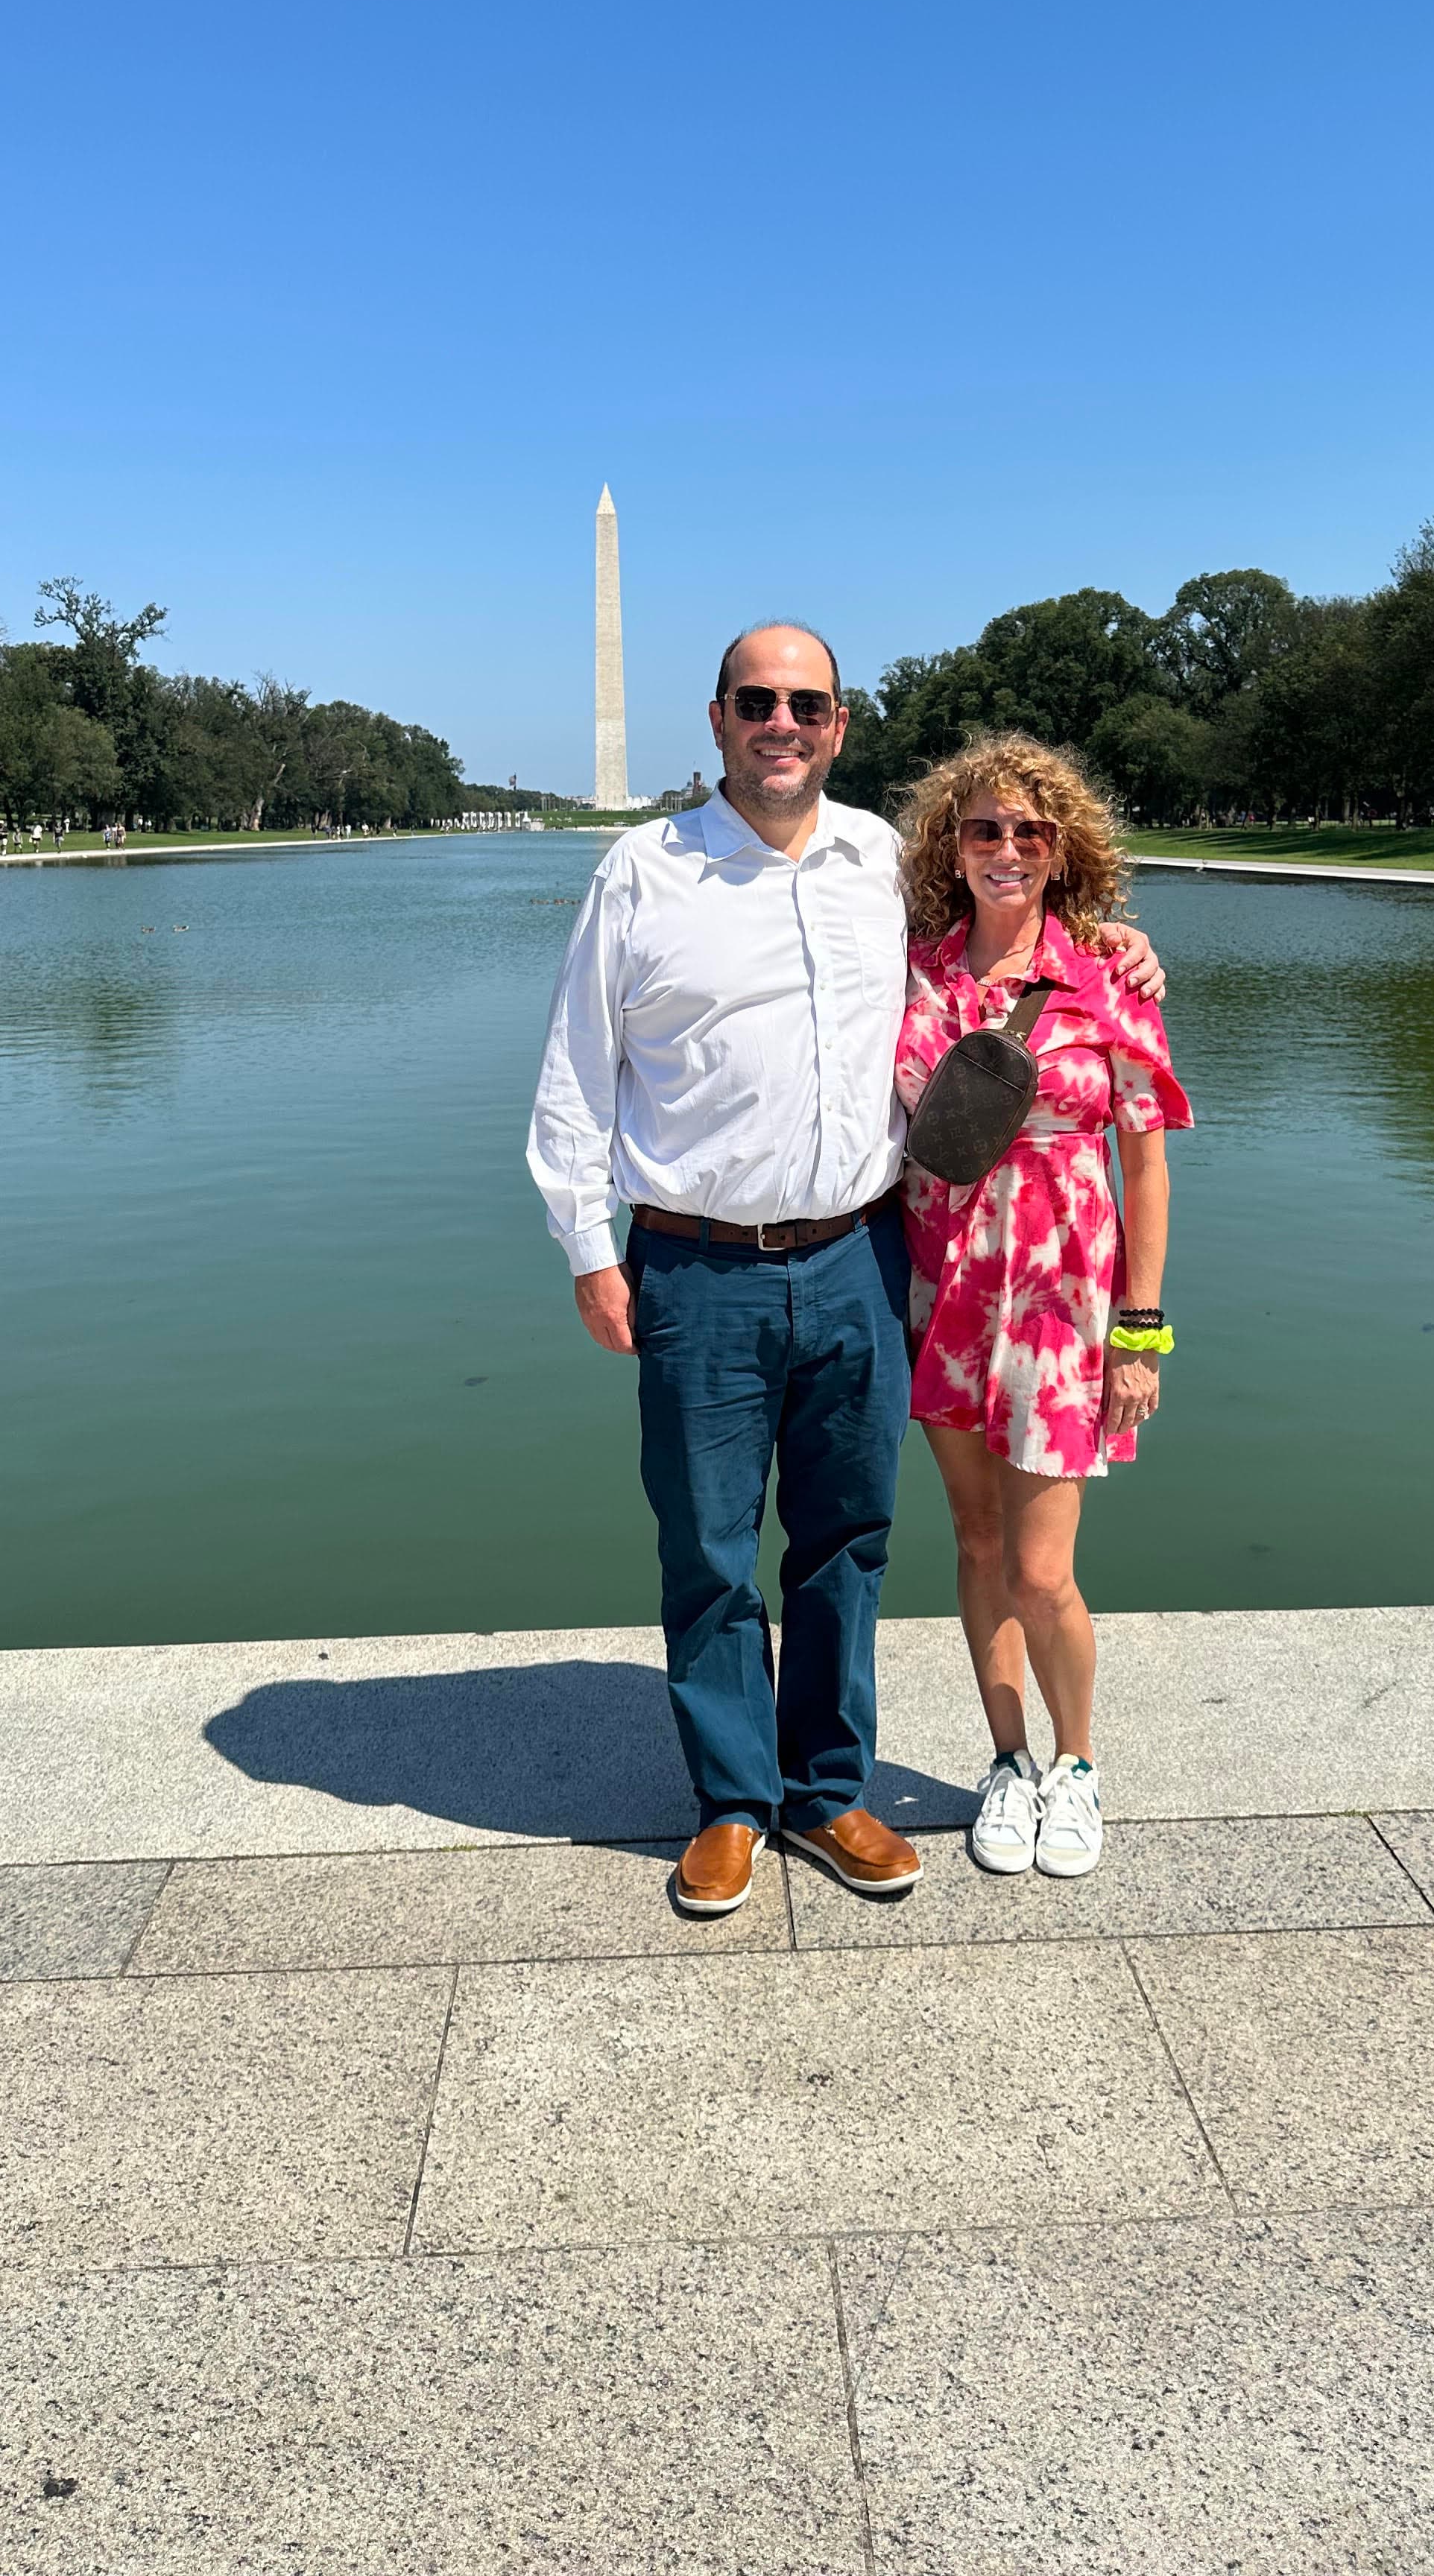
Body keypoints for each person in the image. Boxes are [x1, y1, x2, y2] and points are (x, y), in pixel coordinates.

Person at [528, 625, 1165, 1917]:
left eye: (805, 703)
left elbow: (1024, 921)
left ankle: (823, 1790)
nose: (781, 723)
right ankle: (729, 1803)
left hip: (863, 1261)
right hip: (694, 1267)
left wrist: (1120, 941)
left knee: (845, 1544)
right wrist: (591, 1253)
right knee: (708, 1548)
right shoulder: (643, 872)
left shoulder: (883, 863)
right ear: (715, 719)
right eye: (756, 702)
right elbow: (572, 1081)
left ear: (840, 721)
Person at [894, 735, 1191, 1882]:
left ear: (1062, 851)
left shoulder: (1113, 977)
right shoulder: (915, 973)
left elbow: (1149, 1164)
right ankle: (1007, 1763)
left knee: (1043, 1570)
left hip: (1064, 1302)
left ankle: (1078, 1765)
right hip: (944, 1293)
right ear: (950, 848)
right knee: (974, 1542)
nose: (1008, 849)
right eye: (984, 830)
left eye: (1030, 831)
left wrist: (1143, 1328)